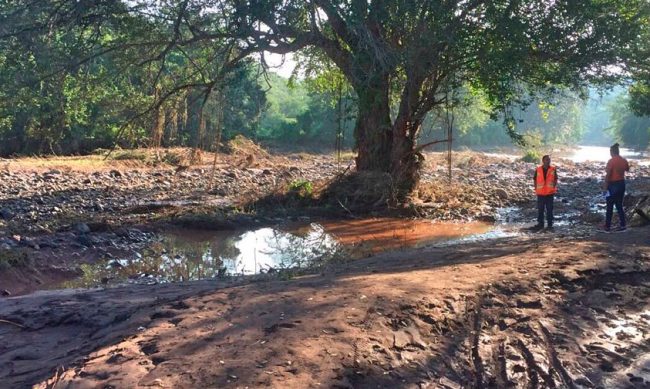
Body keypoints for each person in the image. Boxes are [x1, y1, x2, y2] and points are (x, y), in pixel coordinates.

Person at [602, 143, 629, 232]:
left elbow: (608, 175)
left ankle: (607, 226)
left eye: (610, 151)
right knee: (619, 206)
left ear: (612, 152)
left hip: (612, 184)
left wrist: (605, 188)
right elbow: (627, 169)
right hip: (621, 184)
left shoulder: (611, 161)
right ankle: (623, 225)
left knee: (609, 206)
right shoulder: (623, 160)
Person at [533, 155, 558, 231]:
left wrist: (553, 186)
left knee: (549, 209)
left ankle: (550, 224)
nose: (548, 161)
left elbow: (555, 178)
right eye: (547, 160)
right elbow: (535, 179)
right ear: (543, 161)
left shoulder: (553, 169)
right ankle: (540, 224)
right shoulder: (538, 169)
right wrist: (536, 188)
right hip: (540, 193)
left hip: (550, 193)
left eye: (549, 160)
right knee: (540, 209)